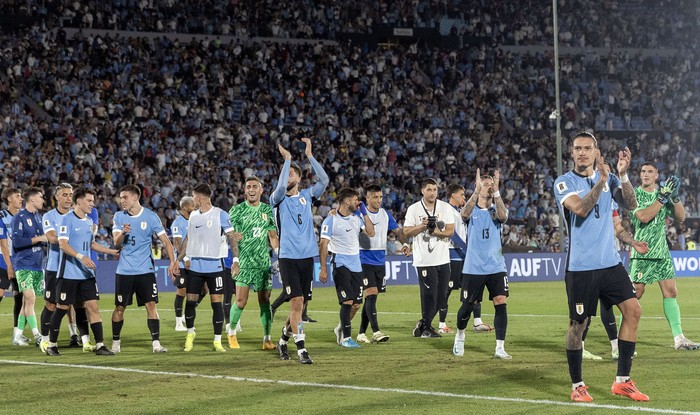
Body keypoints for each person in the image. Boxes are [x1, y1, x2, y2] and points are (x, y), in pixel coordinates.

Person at [554, 132, 648, 402]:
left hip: (611, 264)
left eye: (587, 148)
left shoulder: (611, 177)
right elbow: (581, 209)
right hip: (582, 267)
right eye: (577, 148)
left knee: (633, 311)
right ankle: (578, 386)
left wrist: (624, 175)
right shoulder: (564, 182)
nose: (582, 153)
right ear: (572, 153)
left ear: (596, 151)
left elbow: (631, 204)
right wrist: (602, 182)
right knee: (578, 325)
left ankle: (622, 381)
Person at [271, 137, 329, 364]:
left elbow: (324, 179)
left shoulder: (307, 196)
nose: (288, 177)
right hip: (288, 259)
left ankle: (283, 339)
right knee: (296, 303)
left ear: (299, 179)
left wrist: (309, 156)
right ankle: (302, 350)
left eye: (292, 174)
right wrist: (287, 161)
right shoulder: (276, 199)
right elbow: (279, 186)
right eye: (286, 175)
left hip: (307, 258)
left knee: (300, 305)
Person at [629, 163, 699, 350]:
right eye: (643, 171)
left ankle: (679, 339)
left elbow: (682, 217)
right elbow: (643, 216)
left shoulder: (664, 194)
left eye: (650, 171)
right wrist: (662, 197)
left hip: (662, 252)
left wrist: (674, 198)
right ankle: (623, 340)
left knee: (671, 291)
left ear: (657, 175)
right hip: (642, 252)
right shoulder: (634, 194)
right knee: (634, 294)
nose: (645, 174)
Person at [46, 187, 118, 356]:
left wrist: (112, 251)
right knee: (62, 307)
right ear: (79, 201)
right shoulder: (66, 220)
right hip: (68, 274)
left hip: (86, 275)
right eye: (89, 201)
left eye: (93, 201)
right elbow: (63, 244)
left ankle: (100, 345)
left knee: (93, 307)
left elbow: (91, 244)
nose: (92, 204)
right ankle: (51, 344)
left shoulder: (88, 222)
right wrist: (81, 257)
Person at [111, 185, 178, 353]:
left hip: (145, 271)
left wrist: (172, 262)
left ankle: (156, 344)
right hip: (124, 271)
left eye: (125, 197)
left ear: (135, 198)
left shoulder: (150, 217)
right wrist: (123, 233)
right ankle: (115, 343)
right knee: (120, 308)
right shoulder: (119, 216)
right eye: (121, 197)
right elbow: (116, 243)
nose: (122, 201)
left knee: (151, 306)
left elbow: (166, 241)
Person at [452, 170, 511, 359]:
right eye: (485, 183)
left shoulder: (497, 208)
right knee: (468, 305)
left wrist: (497, 192)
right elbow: (463, 214)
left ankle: (500, 347)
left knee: (500, 301)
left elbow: (503, 217)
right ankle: (460, 336)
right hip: (473, 267)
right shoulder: (472, 210)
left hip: (496, 266)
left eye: (490, 183)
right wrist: (476, 191)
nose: (488, 186)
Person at [177, 183, 239, 352]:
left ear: (198, 197)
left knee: (216, 303)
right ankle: (190, 335)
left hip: (215, 266)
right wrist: (178, 260)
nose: (192, 199)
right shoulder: (193, 216)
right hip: (196, 267)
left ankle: (217, 340)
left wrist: (236, 260)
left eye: (193, 196)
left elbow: (232, 237)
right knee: (190, 302)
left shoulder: (220, 214)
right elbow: (188, 239)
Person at [227, 176, 279, 350]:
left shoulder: (267, 210)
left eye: (254, 186)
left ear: (261, 190)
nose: (251, 189)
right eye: (248, 186)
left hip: (263, 263)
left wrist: (278, 256)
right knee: (241, 301)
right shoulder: (237, 210)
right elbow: (230, 234)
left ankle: (267, 339)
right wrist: (234, 238)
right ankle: (232, 333)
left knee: (265, 301)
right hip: (244, 262)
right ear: (244, 190)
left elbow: (272, 236)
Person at [319, 188, 375, 348]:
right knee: (347, 301)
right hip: (340, 263)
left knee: (357, 304)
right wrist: (323, 268)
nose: (358, 202)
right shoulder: (331, 220)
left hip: (356, 265)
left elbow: (371, 232)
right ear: (346, 201)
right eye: (355, 199)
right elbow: (323, 244)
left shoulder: (356, 218)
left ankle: (340, 328)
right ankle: (346, 338)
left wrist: (364, 211)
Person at [39, 183, 90, 352]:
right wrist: (67, 237)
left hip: (74, 267)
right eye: (65, 195)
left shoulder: (77, 215)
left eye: (70, 195)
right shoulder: (49, 216)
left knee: (79, 304)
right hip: (55, 267)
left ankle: (84, 340)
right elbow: (53, 239)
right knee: (52, 304)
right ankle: (44, 340)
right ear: (57, 197)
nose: (68, 198)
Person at [403, 178, 455, 338]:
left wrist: (435, 232)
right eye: (429, 189)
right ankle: (426, 328)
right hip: (424, 259)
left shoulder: (445, 207)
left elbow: (450, 231)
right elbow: (406, 232)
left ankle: (423, 324)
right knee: (429, 295)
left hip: (443, 258)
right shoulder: (413, 209)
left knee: (442, 296)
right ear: (422, 191)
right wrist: (422, 226)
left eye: (435, 189)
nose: (432, 193)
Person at [355, 184, 406, 344]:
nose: (378, 200)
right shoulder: (360, 214)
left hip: (380, 261)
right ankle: (376, 332)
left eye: (380, 197)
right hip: (364, 260)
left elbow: (398, 231)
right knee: (370, 294)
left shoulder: (385, 214)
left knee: (372, 298)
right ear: (367, 198)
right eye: (375, 197)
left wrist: (404, 244)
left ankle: (361, 333)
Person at [439, 184, 491, 334]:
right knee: (447, 290)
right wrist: (467, 248)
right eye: (461, 195)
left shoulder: (462, 212)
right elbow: (451, 233)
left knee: (474, 287)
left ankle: (477, 322)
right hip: (452, 255)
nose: (463, 197)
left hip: (465, 257)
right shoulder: (445, 210)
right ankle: (442, 324)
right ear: (453, 195)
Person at [10, 187, 47, 347]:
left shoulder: (39, 217)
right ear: (32, 199)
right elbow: (17, 242)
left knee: (28, 301)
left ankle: (18, 335)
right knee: (30, 298)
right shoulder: (20, 217)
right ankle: (37, 334)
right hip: (24, 263)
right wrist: (39, 238)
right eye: (40, 197)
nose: (43, 200)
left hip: (38, 264)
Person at [1, 188, 26, 345]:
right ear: (8, 199)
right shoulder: (2, 216)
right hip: (3, 261)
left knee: (20, 299)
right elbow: (3, 245)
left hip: (19, 261)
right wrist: (9, 266)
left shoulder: (23, 216)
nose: (21, 198)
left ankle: (18, 335)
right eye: (17, 196)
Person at [171, 196, 196, 331]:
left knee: (203, 289)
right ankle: (178, 323)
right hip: (183, 264)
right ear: (185, 207)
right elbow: (177, 242)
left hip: (195, 261)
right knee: (181, 291)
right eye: (193, 205)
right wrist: (185, 259)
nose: (195, 206)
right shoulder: (178, 223)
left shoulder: (194, 220)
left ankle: (187, 314)